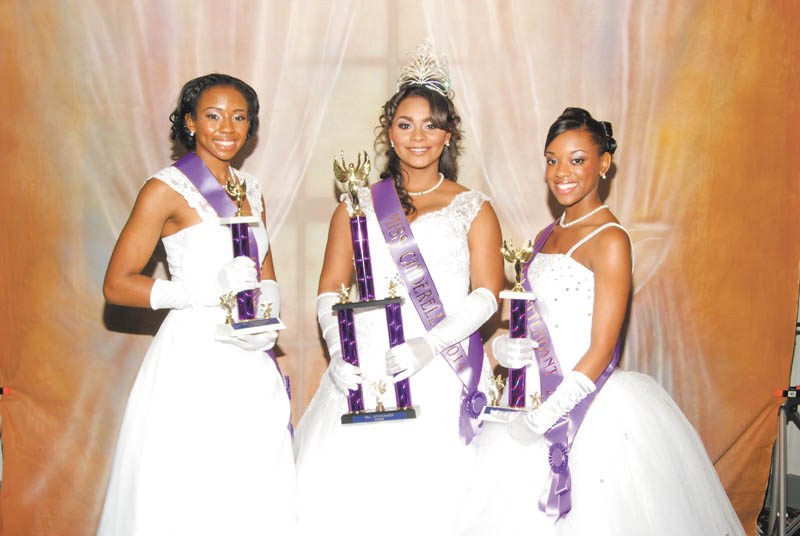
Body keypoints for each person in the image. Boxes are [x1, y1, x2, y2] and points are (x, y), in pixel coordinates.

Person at [466, 107, 745, 535]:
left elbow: (602, 347)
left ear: (604, 164)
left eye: (578, 160)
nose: (562, 172)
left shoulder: (611, 240)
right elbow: (536, 316)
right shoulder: (547, 234)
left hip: (586, 406)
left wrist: (543, 420)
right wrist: (503, 347)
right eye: (552, 159)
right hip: (531, 396)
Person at [293, 41, 503, 536]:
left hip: (442, 365)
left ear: (448, 135)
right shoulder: (359, 205)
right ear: (389, 132)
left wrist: (430, 346)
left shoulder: (473, 207)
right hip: (369, 371)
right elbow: (328, 289)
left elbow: (488, 294)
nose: (418, 137)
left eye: (431, 125)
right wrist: (335, 349)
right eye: (405, 124)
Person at [97, 73, 296, 535]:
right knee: (189, 482)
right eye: (212, 115)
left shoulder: (252, 188)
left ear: (251, 127)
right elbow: (117, 285)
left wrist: (267, 317)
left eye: (239, 117)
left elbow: (265, 272)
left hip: (247, 355)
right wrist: (199, 294)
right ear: (190, 123)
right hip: (192, 354)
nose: (227, 127)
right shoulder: (164, 189)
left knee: (250, 479)